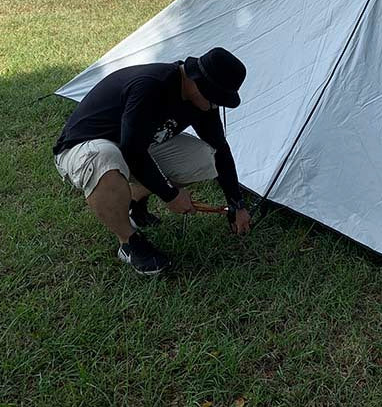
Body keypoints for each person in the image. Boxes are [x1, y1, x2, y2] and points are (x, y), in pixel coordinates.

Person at [53, 47, 251, 276]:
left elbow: (220, 150)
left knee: (204, 158)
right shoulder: (151, 86)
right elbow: (132, 150)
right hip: (84, 147)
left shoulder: (201, 100)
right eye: (217, 99)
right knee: (107, 159)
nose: (216, 106)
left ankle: (134, 200)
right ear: (198, 83)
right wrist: (171, 195)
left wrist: (237, 204)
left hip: (132, 145)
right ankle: (129, 242)